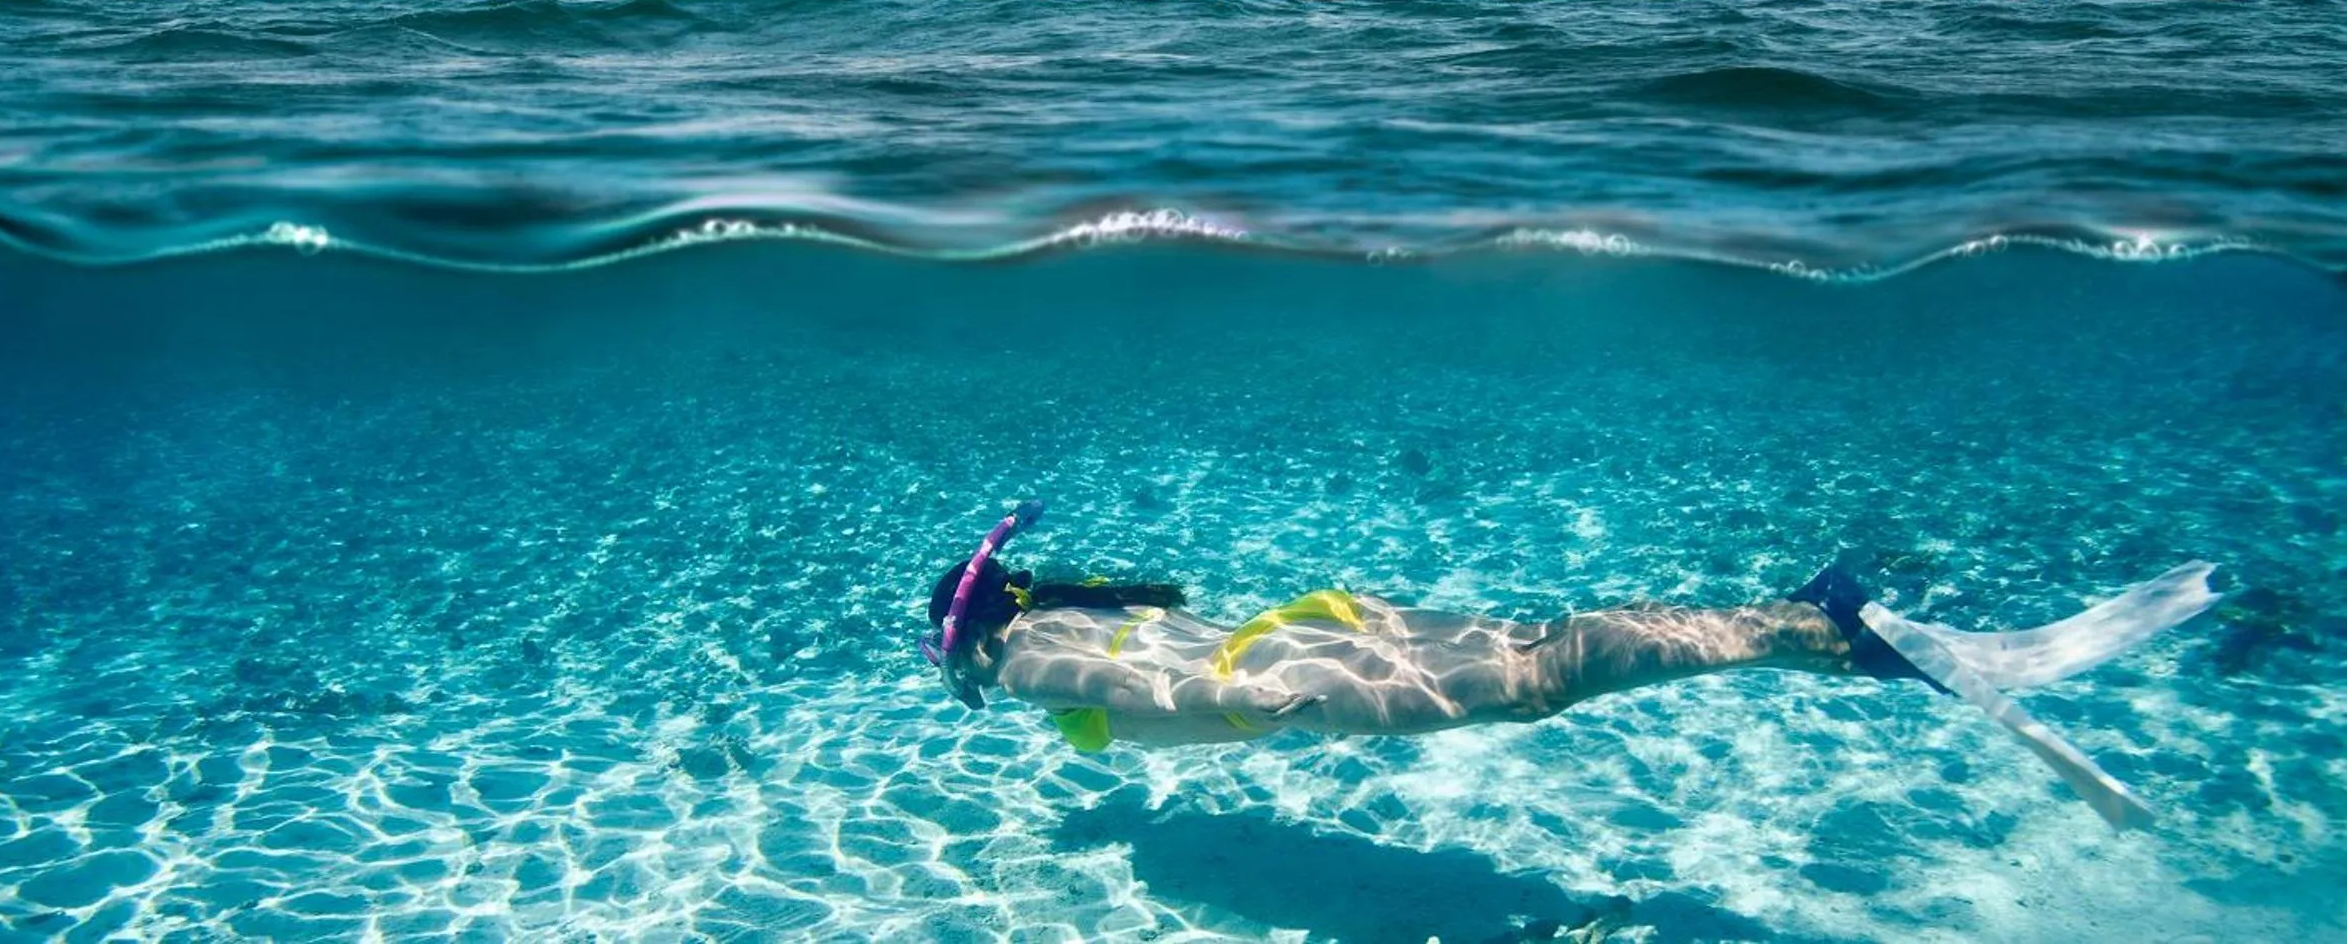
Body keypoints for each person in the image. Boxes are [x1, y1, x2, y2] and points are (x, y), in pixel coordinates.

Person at [921, 501, 2221, 830]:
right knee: (1540, 651)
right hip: (1317, 622)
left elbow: (1150, 695)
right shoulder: (1068, 617)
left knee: (1542, 679)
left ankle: (1813, 625)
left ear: (971, 638)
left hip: (1297, 672)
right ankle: (1807, 626)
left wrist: (1247, 702)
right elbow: (1156, 659)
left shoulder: (1024, 660)